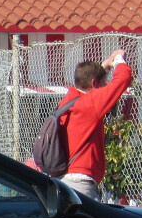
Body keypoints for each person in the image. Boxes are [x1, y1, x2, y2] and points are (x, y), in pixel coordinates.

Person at [57, 48, 133, 199]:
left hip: (63, 179)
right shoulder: (90, 103)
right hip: (81, 183)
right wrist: (118, 58)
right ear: (94, 83)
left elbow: (88, 80)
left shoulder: (68, 100)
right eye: (103, 83)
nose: (105, 87)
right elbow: (124, 78)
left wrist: (104, 65)